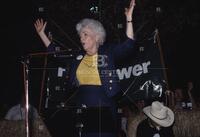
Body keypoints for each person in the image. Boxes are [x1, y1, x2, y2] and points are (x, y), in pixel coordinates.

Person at [34, 0, 136, 136]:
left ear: (97, 37)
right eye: (80, 35)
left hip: (103, 107)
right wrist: (42, 34)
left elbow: (129, 45)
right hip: (82, 108)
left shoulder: (108, 52)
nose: (81, 38)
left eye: (85, 34)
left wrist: (129, 19)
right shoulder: (78, 57)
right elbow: (57, 54)